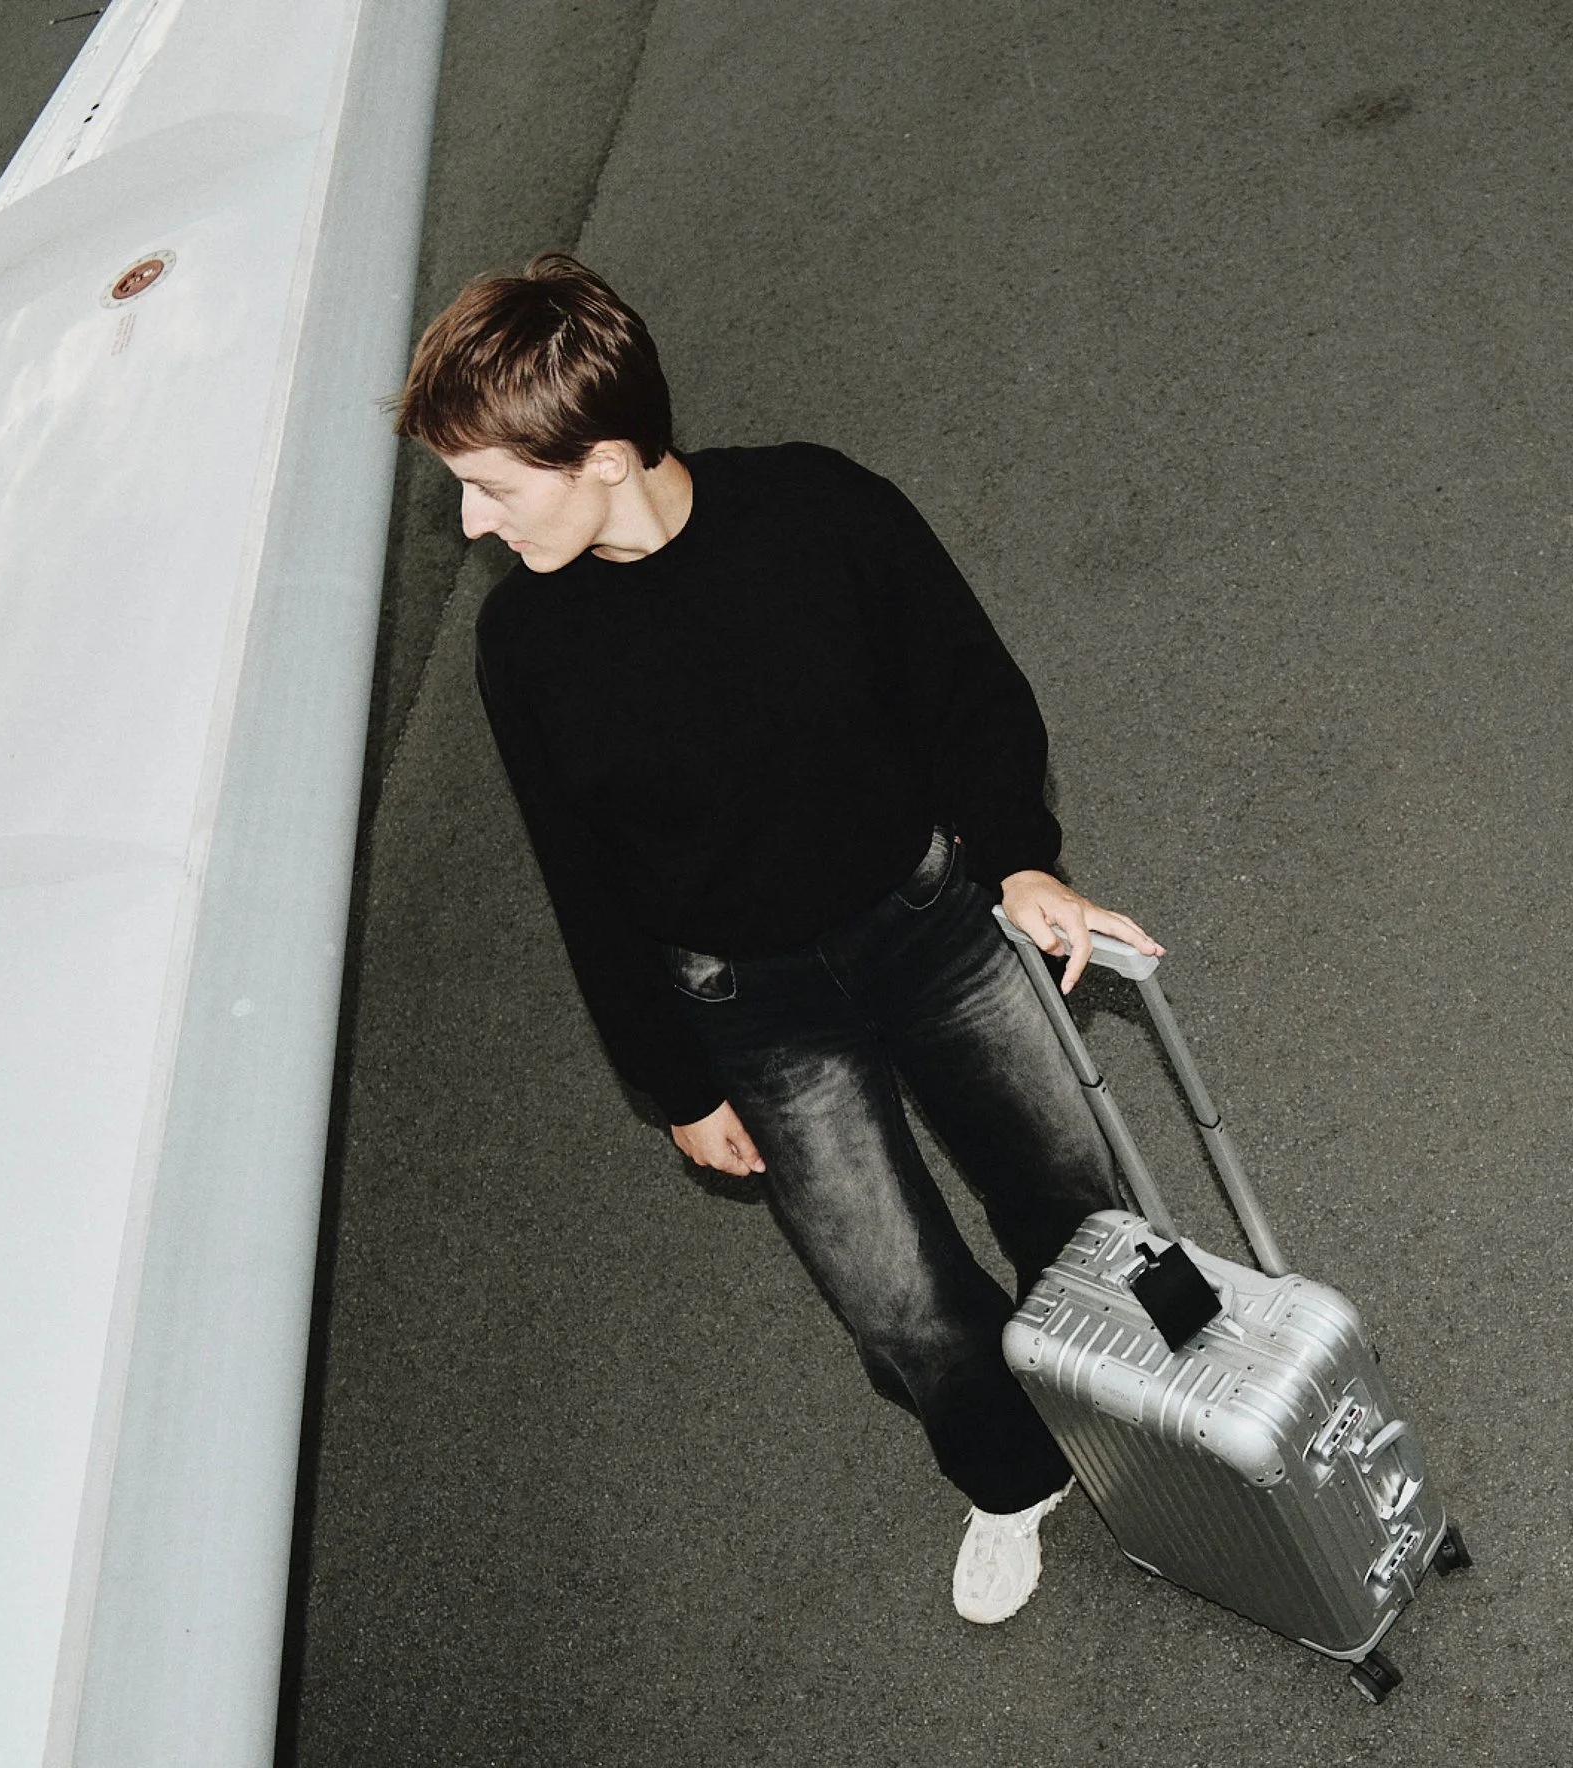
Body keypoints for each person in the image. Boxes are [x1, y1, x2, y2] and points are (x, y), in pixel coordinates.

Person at [391, 252, 1164, 1624]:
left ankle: (1151, 1417)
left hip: (930, 923)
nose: (469, 522)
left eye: (493, 487)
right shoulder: (524, 645)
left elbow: (968, 693)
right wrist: (677, 1086)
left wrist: (1022, 857)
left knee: (1071, 1192)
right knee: (896, 1296)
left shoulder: (819, 509)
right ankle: (1013, 1474)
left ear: (607, 458)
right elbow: (583, 881)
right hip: (751, 1004)